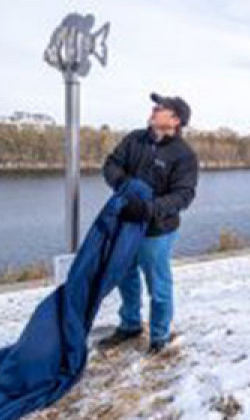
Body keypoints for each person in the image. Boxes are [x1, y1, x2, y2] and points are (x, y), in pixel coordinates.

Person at [99, 92, 199, 354]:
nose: (154, 109)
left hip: (157, 231)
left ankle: (159, 337)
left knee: (158, 284)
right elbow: (111, 165)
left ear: (175, 119)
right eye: (154, 106)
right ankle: (130, 325)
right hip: (126, 223)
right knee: (125, 275)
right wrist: (124, 185)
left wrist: (147, 208)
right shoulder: (135, 139)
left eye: (161, 107)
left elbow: (183, 195)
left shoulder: (183, 155)